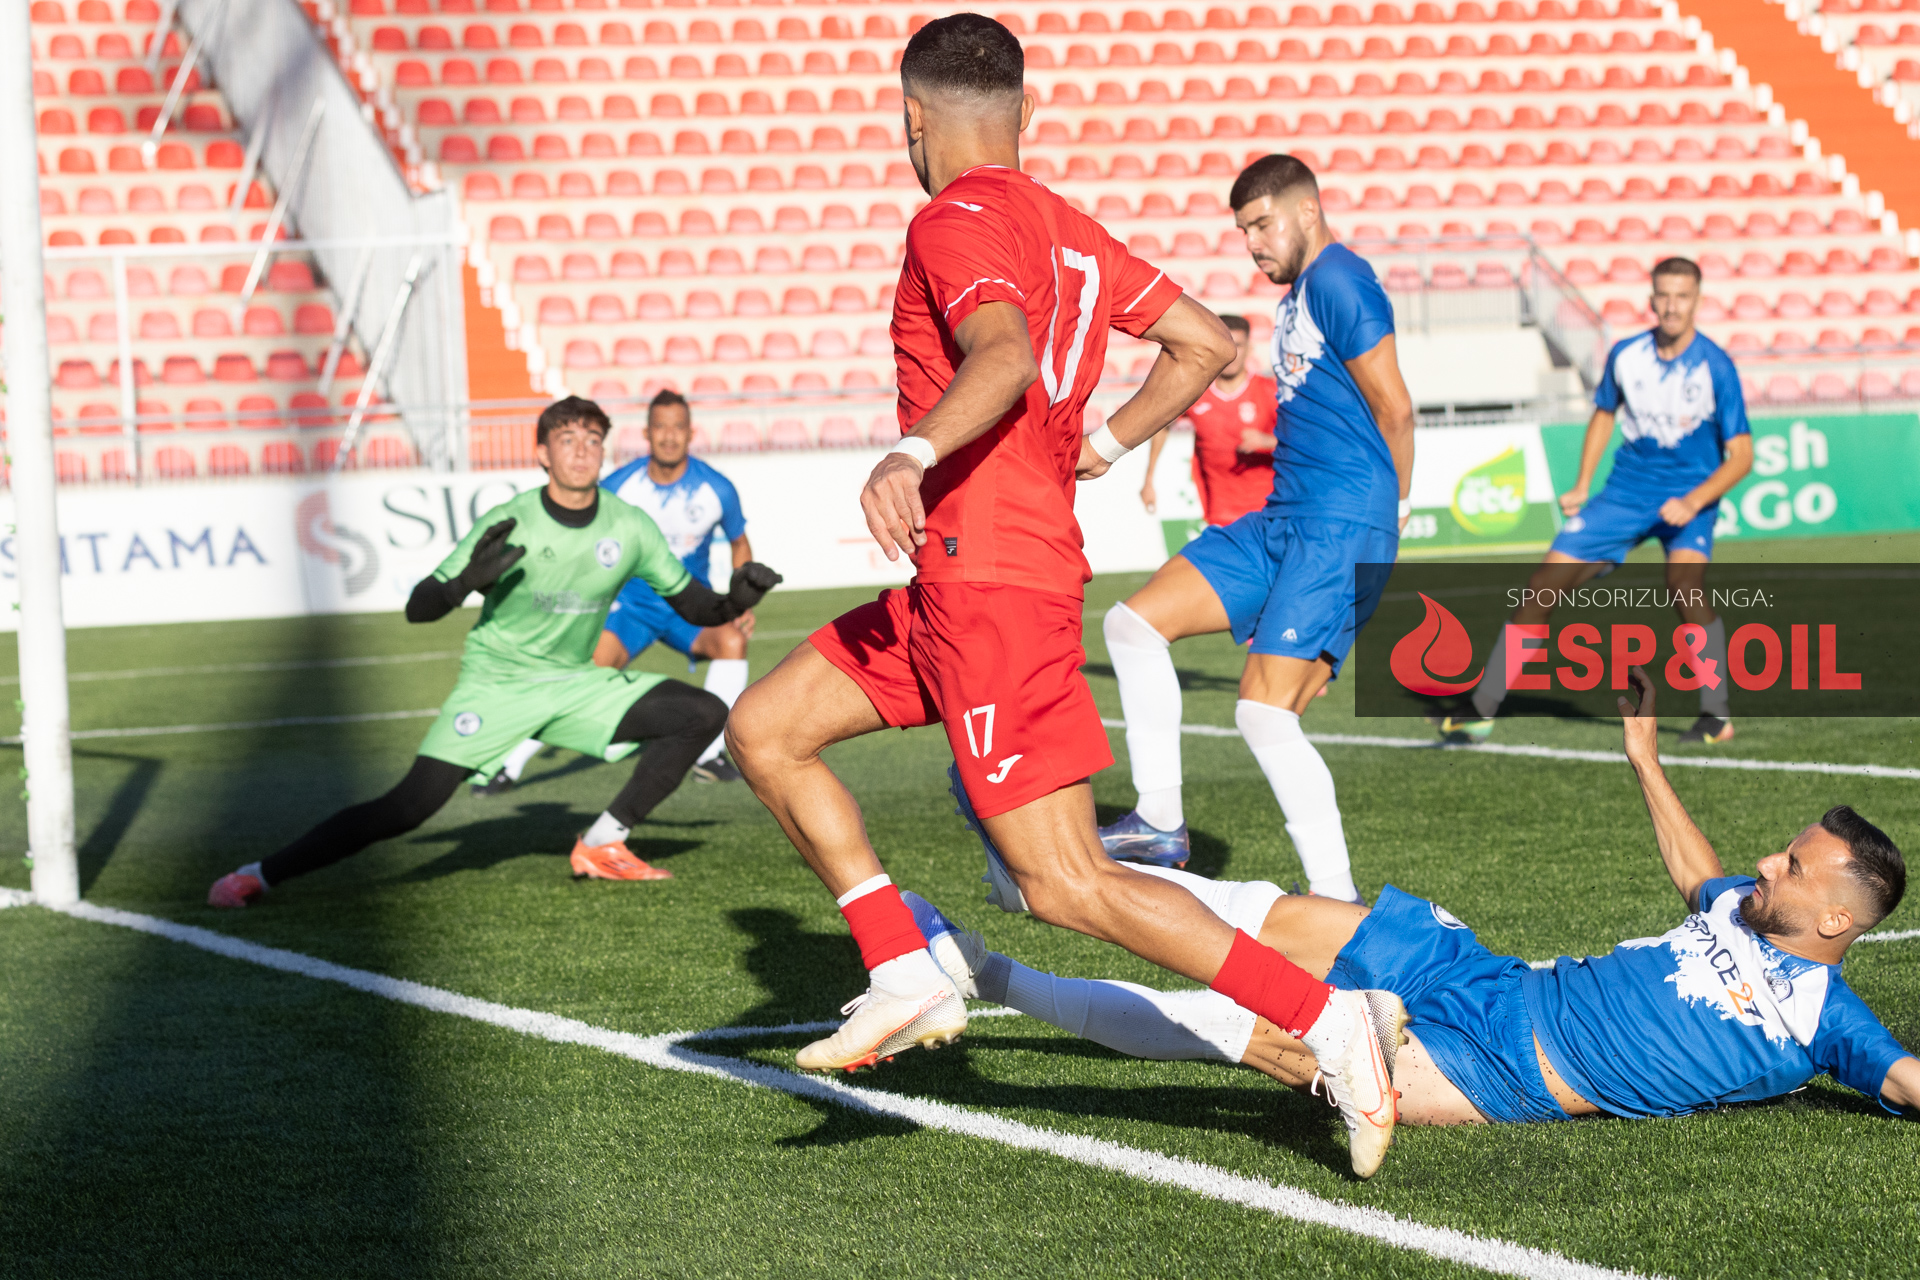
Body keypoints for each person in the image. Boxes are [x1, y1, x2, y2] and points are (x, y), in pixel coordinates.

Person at [725, 16, 1409, 1179]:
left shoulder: (952, 220)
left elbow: (1001, 355)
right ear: (1027, 113)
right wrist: (1106, 439)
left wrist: (908, 451)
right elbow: (1205, 342)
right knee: (765, 727)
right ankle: (903, 960)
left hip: (994, 580)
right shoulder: (1066, 224)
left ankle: (1328, 1017)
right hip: (958, 575)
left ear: (912, 119)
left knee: (1064, 879)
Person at [907, 667, 1916, 1140]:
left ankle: (984, 972)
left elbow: (1908, 1080)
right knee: (1267, 910)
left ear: (1836, 920)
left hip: (1496, 1072)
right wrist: (1643, 757)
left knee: (1235, 1029)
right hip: (1485, 976)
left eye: (1793, 864)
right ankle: (1051, 873)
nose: (1766, 862)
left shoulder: (1827, 1022)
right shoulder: (1744, 904)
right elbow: (1699, 872)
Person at [207, 397, 782, 903]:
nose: (582, 451)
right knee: (408, 808)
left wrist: (737, 598)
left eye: (592, 440)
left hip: (575, 682)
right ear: (542, 454)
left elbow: (695, 606)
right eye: (567, 440)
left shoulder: (629, 526)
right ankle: (259, 875)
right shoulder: (511, 521)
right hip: (497, 684)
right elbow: (419, 607)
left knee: (701, 713)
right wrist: (464, 583)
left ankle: (603, 843)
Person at [1097, 155, 1416, 904]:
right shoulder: (1299, 294)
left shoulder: (1340, 279)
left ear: (1308, 211)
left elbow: (1396, 407)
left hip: (1339, 525)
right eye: (1243, 230)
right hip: (1281, 519)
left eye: (1262, 225)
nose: (1252, 244)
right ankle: (1159, 823)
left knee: (1263, 713)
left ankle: (1337, 901)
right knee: (1132, 626)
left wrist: (1390, 521)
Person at [1438, 257, 1753, 746]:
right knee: (1542, 586)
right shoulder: (1627, 355)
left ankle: (1717, 714)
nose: (1671, 306)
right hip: (1625, 495)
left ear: (1697, 301)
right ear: (1651, 299)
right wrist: (1583, 482)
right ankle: (1482, 706)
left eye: (1682, 296)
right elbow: (1604, 415)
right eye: (1664, 296)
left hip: (1687, 499)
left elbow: (1742, 457)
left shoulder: (1716, 366)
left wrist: (1693, 502)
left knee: (1684, 586)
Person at [483, 390, 755, 792]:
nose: (668, 436)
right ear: (646, 433)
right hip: (631, 607)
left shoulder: (717, 488)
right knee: (583, 671)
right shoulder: (619, 486)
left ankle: (708, 754)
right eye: (660, 427)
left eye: (677, 427)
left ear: (690, 432)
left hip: (687, 608)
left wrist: (739, 600)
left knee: (732, 641)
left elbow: (739, 544)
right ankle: (508, 763)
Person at [1136, 313, 1277, 528]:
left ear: (1250, 348)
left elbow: (1309, 442)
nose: (1232, 353)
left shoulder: (1269, 391)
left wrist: (1267, 442)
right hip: (1219, 513)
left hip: (1270, 510)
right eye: (1226, 345)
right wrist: (1149, 479)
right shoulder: (1194, 392)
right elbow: (1162, 425)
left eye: (1238, 345)